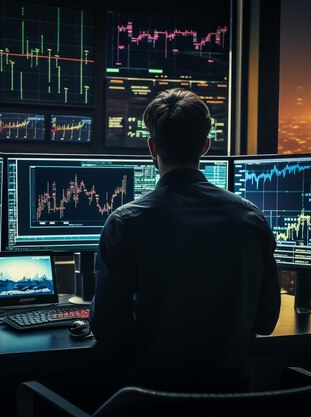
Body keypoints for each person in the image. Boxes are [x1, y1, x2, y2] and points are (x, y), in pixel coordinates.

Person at [89, 88, 281, 393]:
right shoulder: (251, 218)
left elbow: (109, 331)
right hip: (231, 402)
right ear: (205, 146)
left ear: (152, 147)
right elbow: (265, 322)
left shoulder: (126, 223)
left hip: (150, 403)